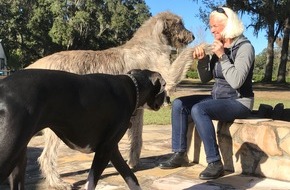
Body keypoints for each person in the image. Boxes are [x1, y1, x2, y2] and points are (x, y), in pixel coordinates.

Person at [159, 6, 255, 180]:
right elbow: (205, 78)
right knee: (179, 104)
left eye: (215, 26)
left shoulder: (245, 47)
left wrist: (222, 56)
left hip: (239, 101)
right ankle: (180, 153)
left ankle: (215, 163)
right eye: (210, 26)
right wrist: (202, 61)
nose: (211, 30)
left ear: (228, 25)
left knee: (199, 109)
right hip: (218, 98)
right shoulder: (218, 46)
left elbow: (236, 81)